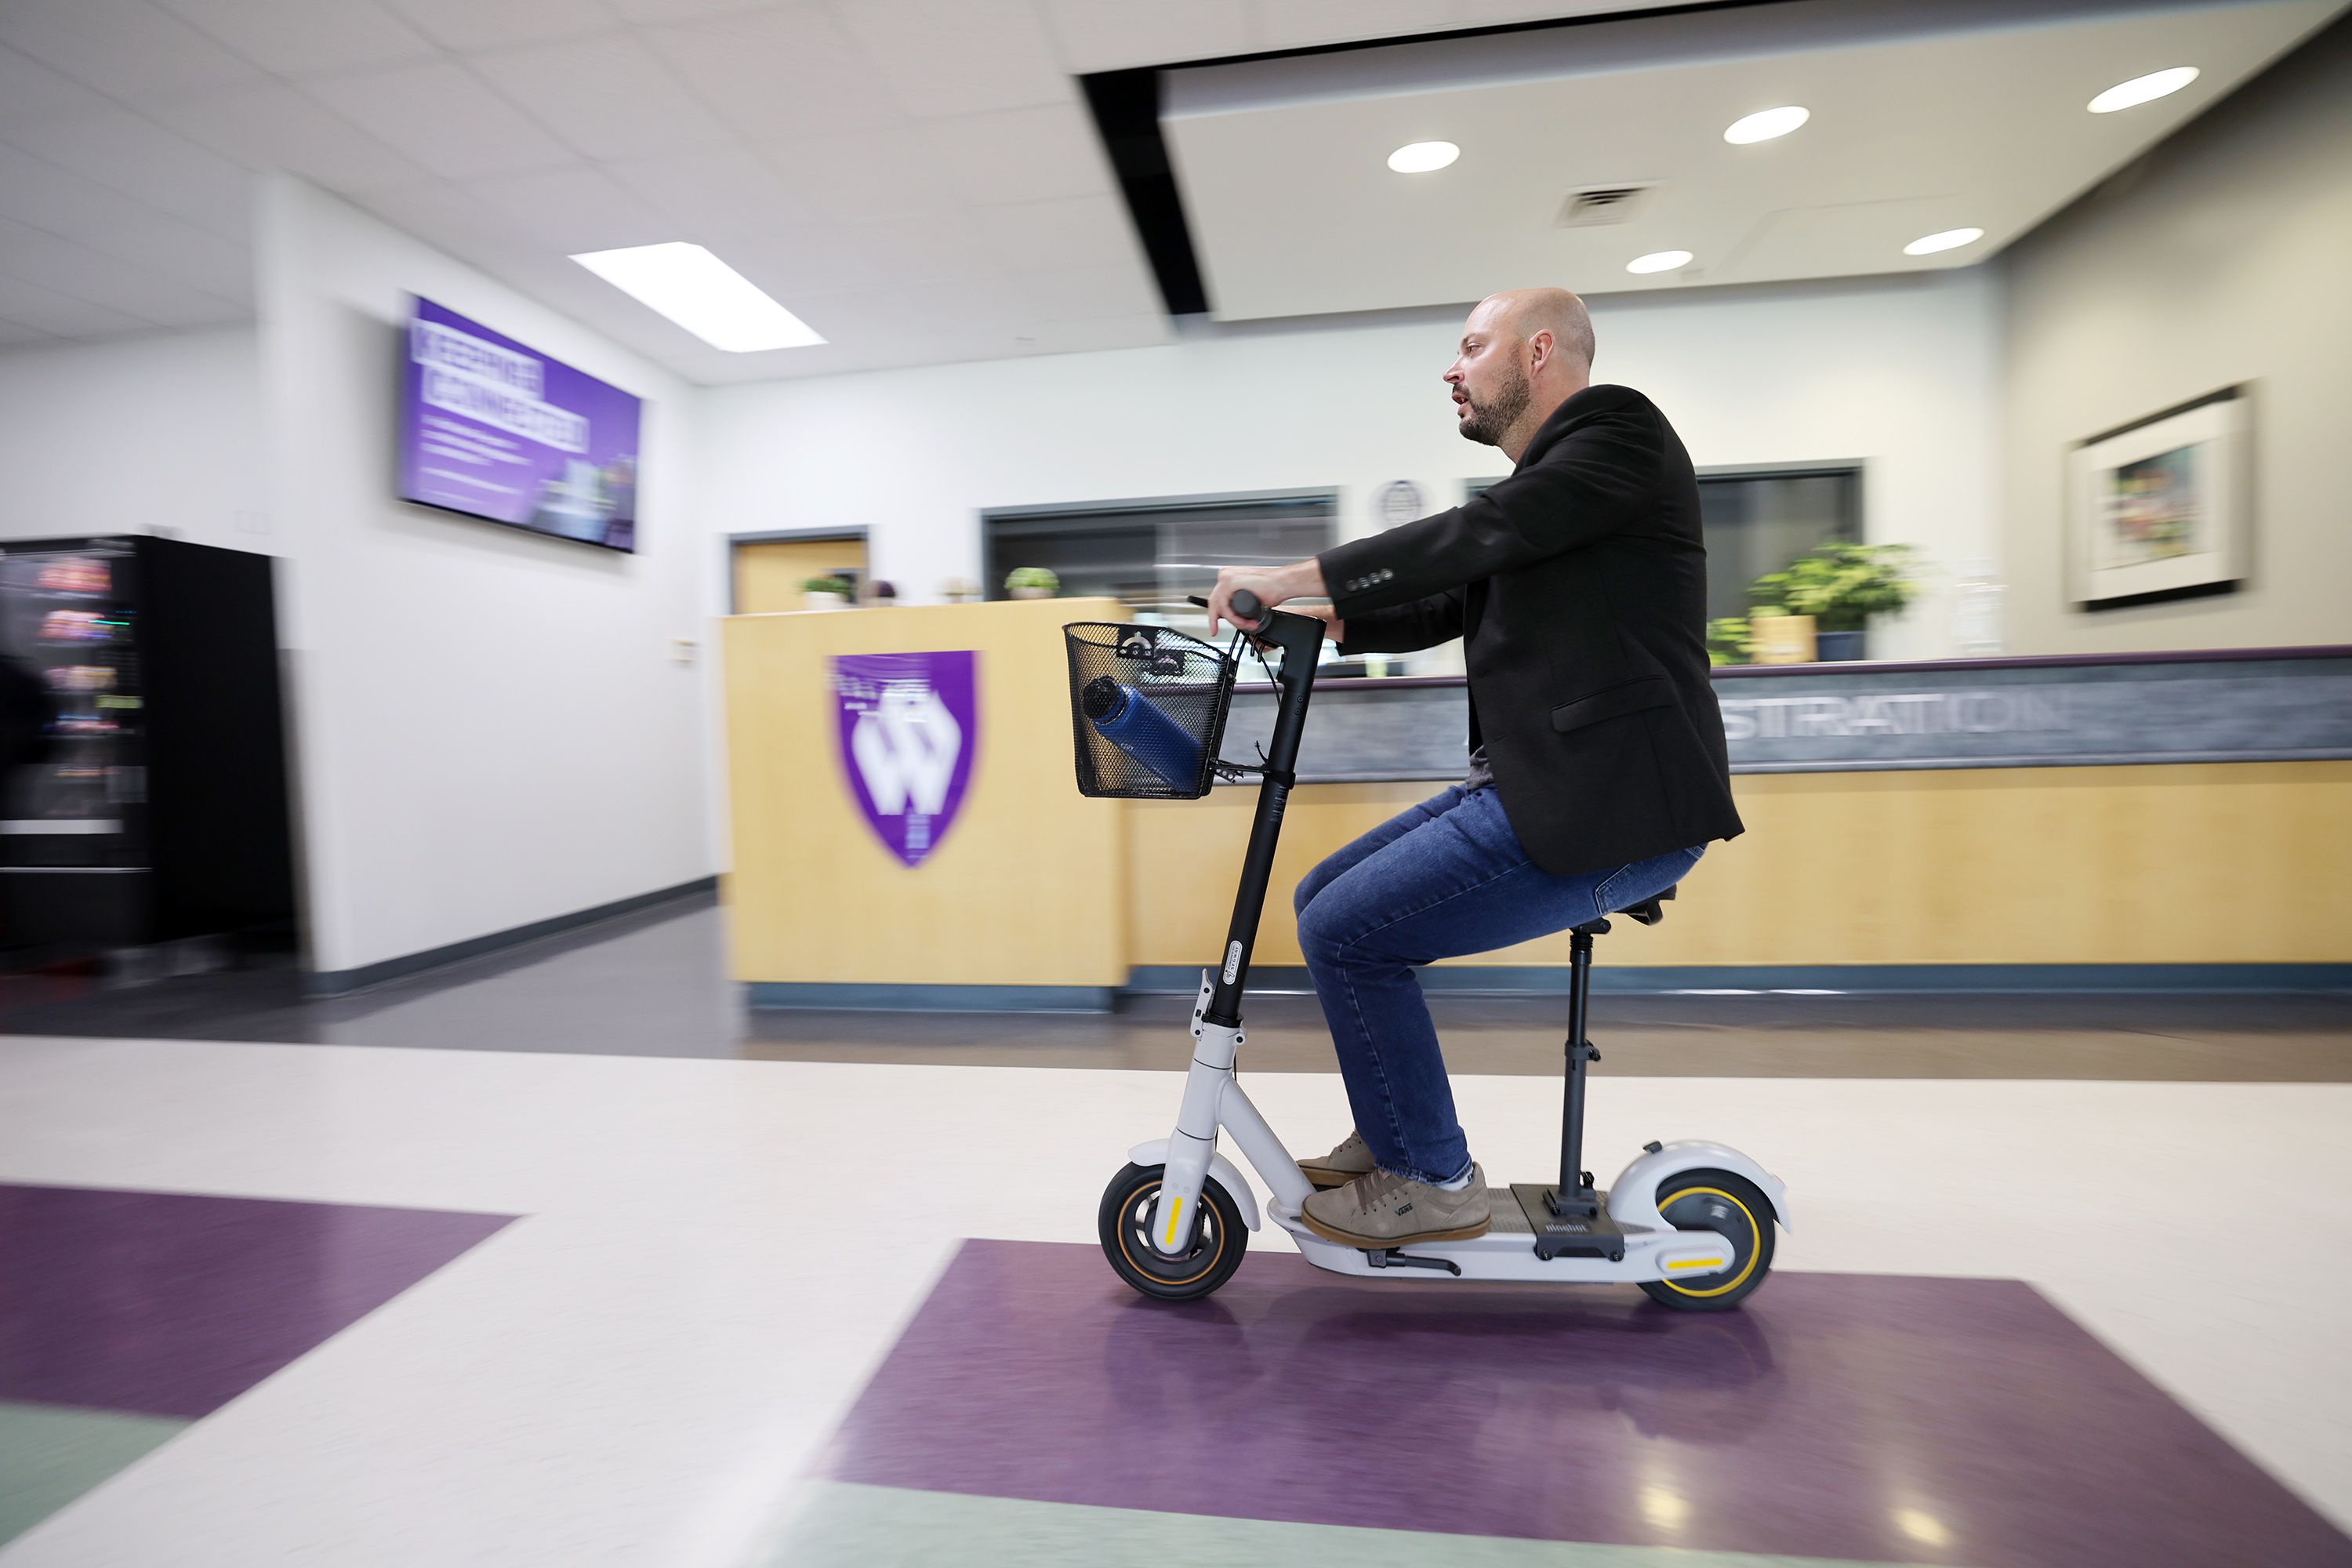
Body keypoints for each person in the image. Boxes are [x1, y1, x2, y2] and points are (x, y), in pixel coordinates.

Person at [1203, 287, 1744, 1250]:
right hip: (1551, 790)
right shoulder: (1553, 497)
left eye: (1470, 345)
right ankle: (1398, 1132)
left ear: (1539, 352)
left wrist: (1301, 575)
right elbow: (1455, 590)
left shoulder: (1617, 434)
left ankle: (1433, 1179)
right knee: (1325, 894)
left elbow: (1472, 540)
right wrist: (1334, 616)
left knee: (1348, 929)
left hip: (1617, 806)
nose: (1451, 368)